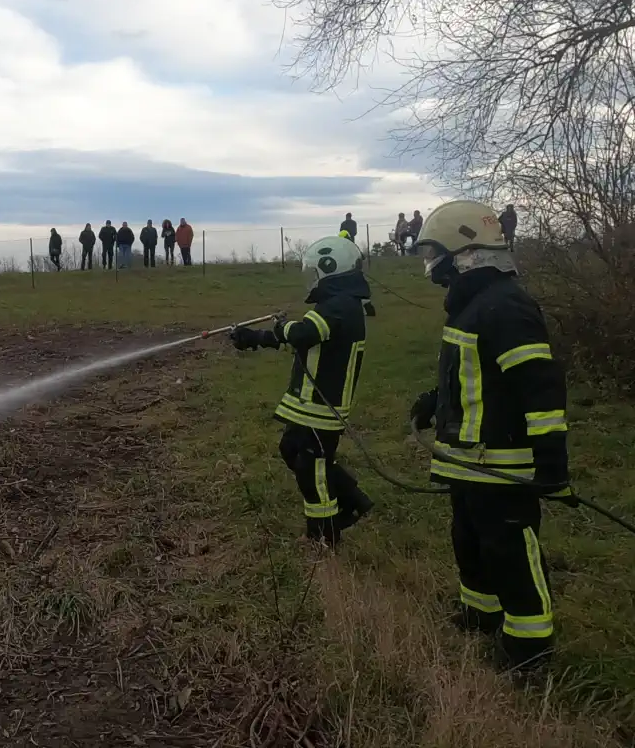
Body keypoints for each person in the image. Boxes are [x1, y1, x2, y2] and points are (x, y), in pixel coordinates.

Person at [409, 199, 572, 674]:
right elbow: (476, 372)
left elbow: (538, 385)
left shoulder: (505, 307)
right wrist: (434, 399)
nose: (429, 264)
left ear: (462, 251)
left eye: (433, 252)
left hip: (504, 463)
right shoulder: (475, 305)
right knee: (470, 539)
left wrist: (551, 461)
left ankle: (529, 648)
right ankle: (481, 613)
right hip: (470, 461)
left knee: (510, 552)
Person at [229, 234, 376, 545]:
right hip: (309, 403)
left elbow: (303, 333)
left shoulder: (340, 306)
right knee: (292, 452)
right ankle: (353, 499)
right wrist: (254, 338)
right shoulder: (336, 304)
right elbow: (303, 339)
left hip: (323, 406)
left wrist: (283, 327)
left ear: (328, 267)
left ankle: (325, 535)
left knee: (312, 470)